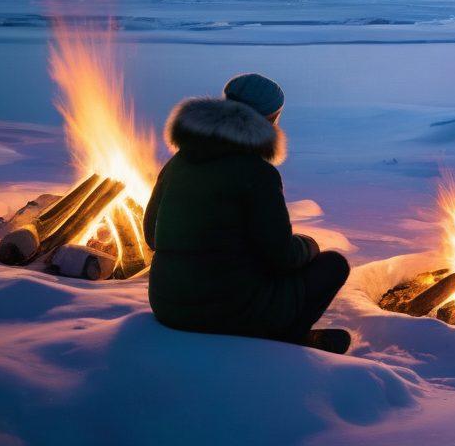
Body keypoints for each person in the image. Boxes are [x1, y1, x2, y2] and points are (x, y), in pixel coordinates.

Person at [143, 73, 352, 354]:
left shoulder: (178, 163)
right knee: (333, 265)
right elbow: (281, 256)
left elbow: (151, 235)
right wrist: (309, 246)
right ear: (271, 118)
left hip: (167, 305)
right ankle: (287, 339)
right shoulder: (257, 173)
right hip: (226, 313)